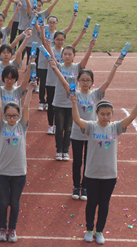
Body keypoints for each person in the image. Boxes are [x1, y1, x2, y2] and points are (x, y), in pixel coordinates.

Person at [71, 90, 137, 244]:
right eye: (102, 114)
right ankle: (89, 229)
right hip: (92, 174)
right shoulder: (91, 126)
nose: (105, 117)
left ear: (112, 114)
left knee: (104, 204)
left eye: (108, 114)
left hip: (110, 175)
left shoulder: (115, 127)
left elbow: (131, 117)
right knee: (92, 203)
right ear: (97, 113)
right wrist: (74, 103)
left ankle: (99, 231)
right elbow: (77, 120)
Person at [50, 58, 122, 201]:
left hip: (92, 135)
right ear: (78, 81)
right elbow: (64, 82)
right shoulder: (74, 93)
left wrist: (115, 66)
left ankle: (85, 187)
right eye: (82, 80)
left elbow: (107, 82)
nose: (85, 82)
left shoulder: (95, 94)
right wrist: (55, 68)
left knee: (89, 161)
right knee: (77, 162)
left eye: (88, 80)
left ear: (92, 82)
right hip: (77, 133)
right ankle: (76, 186)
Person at [0, 80, 36, 243]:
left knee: (15, 203)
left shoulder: (22, 127)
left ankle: (12, 229)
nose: (12, 118)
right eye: (9, 115)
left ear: (18, 116)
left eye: (15, 116)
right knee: (4, 202)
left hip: (19, 172)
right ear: (5, 116)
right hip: (2, 172)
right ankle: (2, 228)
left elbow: (26, 107)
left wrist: (31, 89)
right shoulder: (1, 126)